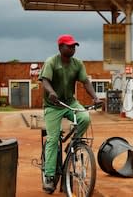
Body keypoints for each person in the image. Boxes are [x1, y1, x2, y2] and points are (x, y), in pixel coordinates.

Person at [39, 34, 100, 193]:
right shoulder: (51, 62)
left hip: (69, 102)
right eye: (69, 46)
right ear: (60, 47)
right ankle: (50, 176)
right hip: (53, 105)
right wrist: (51, 92)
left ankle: (74, 143)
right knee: (53, 138)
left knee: (85, 117)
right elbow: (45, 80)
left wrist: (95, 97)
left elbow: (85, 82)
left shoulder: (77, 64)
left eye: (74, 46)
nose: (72, 49)